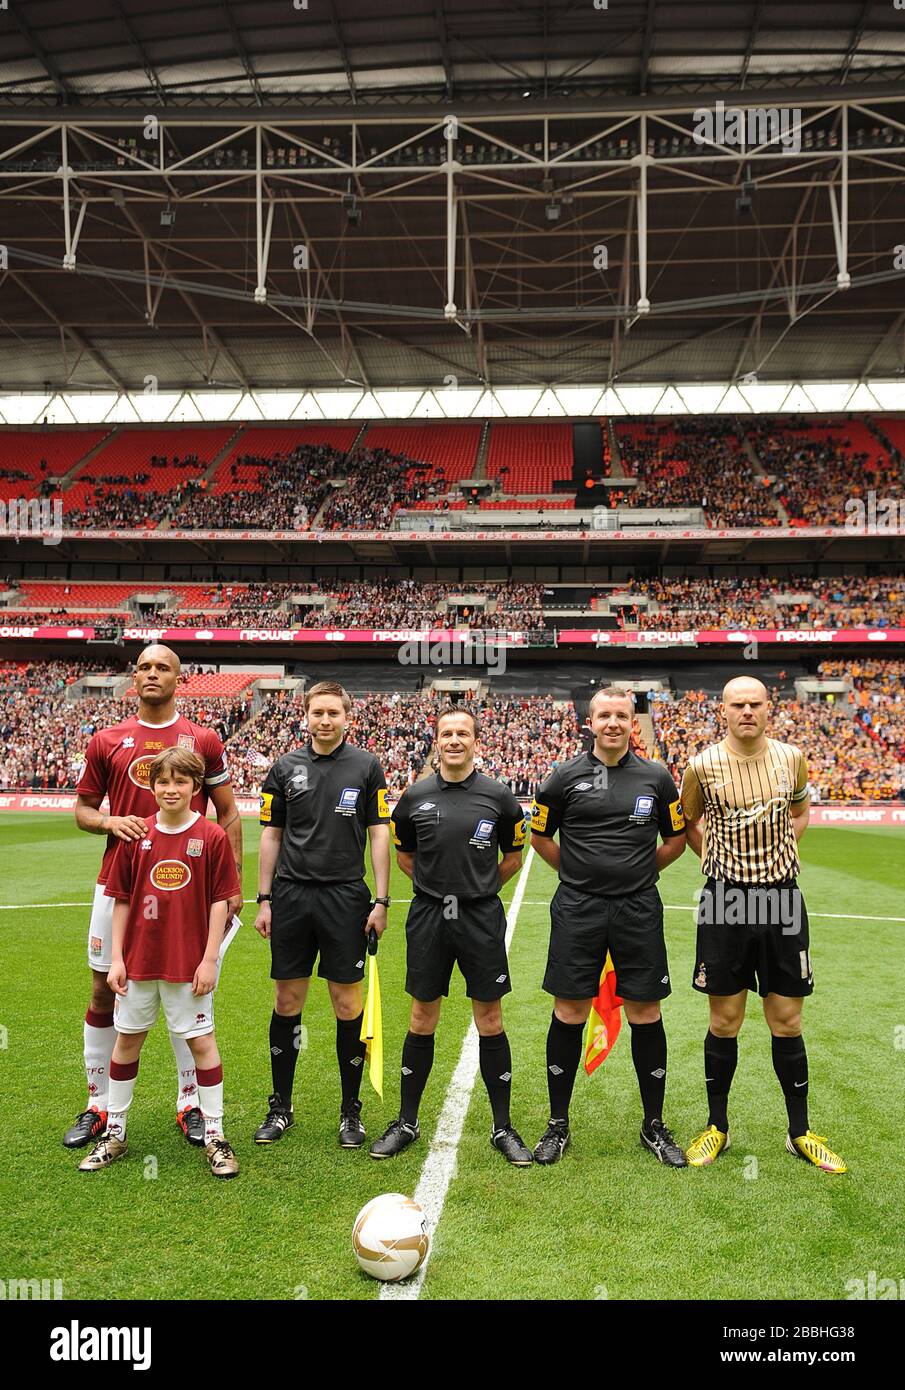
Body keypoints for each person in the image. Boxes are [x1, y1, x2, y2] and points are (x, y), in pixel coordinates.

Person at [65, 645, 242, 1151]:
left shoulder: (203, 739)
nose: (151, 673)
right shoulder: (107, 740)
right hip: (119, 885)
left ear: (179, 679)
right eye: (143, 666)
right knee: (104, 990)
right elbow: (82, 808)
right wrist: (106, 820)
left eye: (162, 666)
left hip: (189, 886)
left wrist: (231, 886)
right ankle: (98, 1104)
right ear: (133, 678)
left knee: (187, 990)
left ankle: (190, 1102)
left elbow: (228, 813)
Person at [680, 675, 846, 1173]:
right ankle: (717, 1128)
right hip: (725, 902)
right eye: (738, 704)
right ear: (723, 711)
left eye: (755, 703)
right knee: (724, 1021)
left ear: (768, 709)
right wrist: (719, 862)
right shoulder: (701, 765)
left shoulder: (791, 758)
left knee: (787, 1020)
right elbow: (688, 822)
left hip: (781, 901)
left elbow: (799, 811)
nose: (747, 711)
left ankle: (799, 1132)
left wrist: (779, 853)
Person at [529, 686, 688, 1166]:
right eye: (605, 715)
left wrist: (637, 875)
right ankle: (558, 1125)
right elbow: (539, 837)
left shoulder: (657, 778)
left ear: (633, 724)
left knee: (646, 1011)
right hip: (578, 909)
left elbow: (676, 840)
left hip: (638, 909)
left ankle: (654, 1126)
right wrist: (580, 876)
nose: (614, 723)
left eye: (622, 715)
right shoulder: (562, 777)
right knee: (570, 1009)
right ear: (590, 723)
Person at [369, 703, 533, 1165]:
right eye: (447, 733)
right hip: (429, 916)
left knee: (491, 1019)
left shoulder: (500, 797)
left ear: (476, 741)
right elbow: (405, 857)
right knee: (422, 1017)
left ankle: (503, 1127)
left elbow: (513, 858)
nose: (455, 740)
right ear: (436, 741)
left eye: (464, 733)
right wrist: (438, 890)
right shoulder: (414, 797)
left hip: (480, 919)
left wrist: (478, 890)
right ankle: (406, 1121)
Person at [253, 681, 391, 1148]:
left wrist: (382, 900)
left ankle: (350, 1112)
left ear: (347, 718)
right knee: (287, 1004)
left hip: (346, 898)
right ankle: (280, 1107)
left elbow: (378, 833)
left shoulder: (367, 766)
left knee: (347, 1006)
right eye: (318, 712)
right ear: (306, 716)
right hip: (291, 898)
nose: (325, 720)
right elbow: (271, 835)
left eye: (334, 712)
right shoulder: (284, 767)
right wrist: (264, 898)